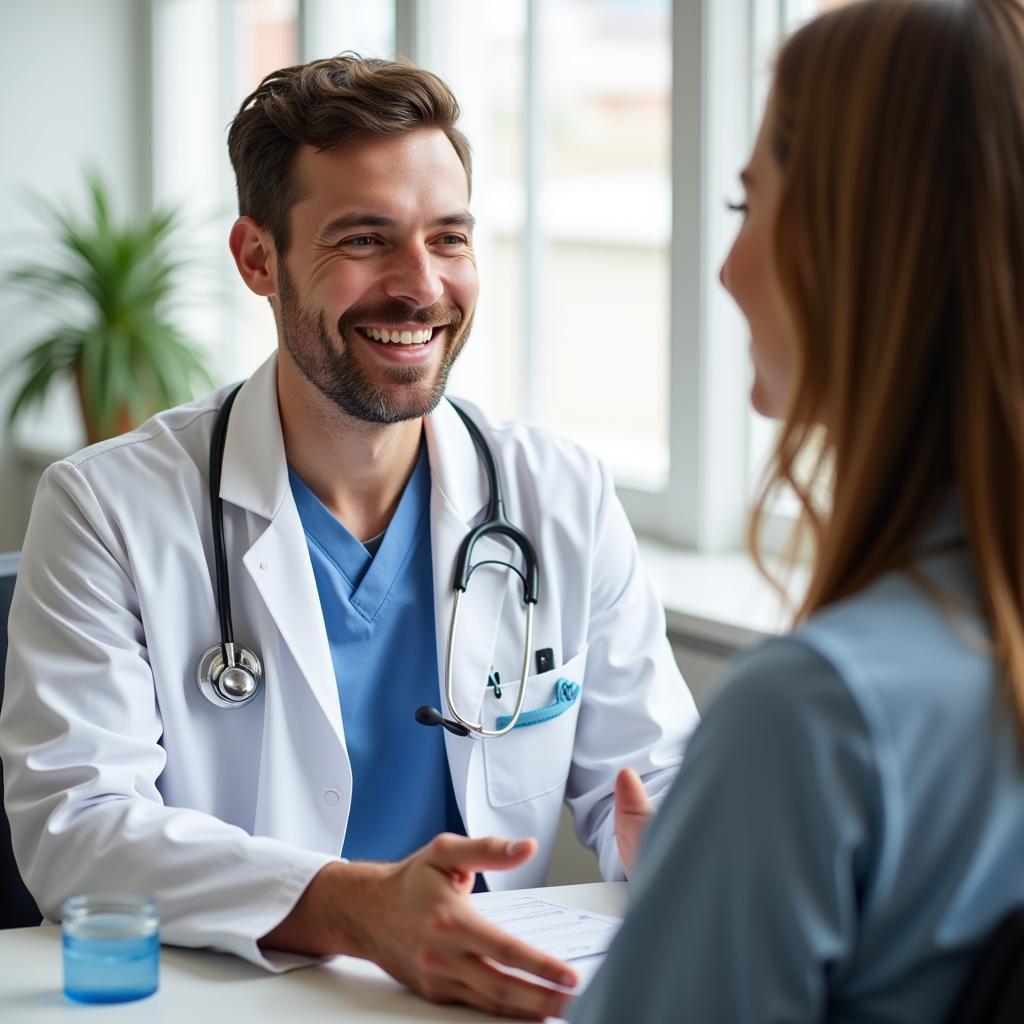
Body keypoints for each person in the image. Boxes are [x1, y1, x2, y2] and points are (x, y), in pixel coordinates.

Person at [0, 56, 697, 1019]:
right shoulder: (107, 508)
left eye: (448, 238)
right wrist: (355, 910)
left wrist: (674, 846)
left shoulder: (559, 494)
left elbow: (654, 780)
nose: (421, 288)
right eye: (365, 240)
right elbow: (76, 833)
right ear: (257, 259)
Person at [570, 0, 1024, 1021]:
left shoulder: (819, 714)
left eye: (747, 208)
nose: (728, 270)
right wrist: (717, 862)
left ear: (848, 243)